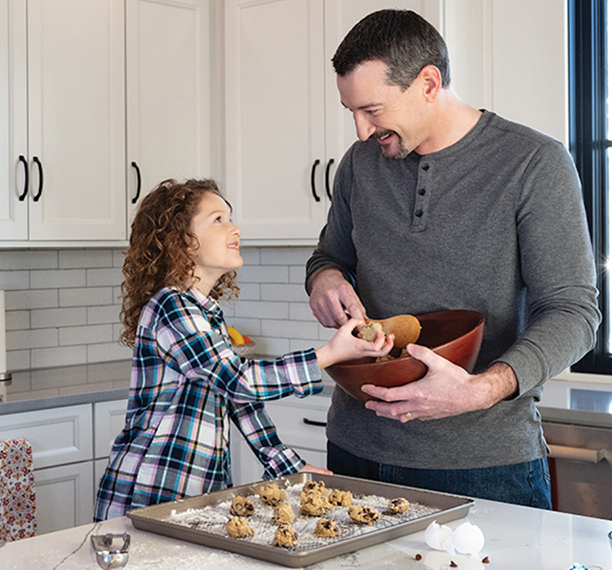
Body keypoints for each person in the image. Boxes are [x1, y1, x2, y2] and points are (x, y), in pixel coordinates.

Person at [305, 9, 601, 508]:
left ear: (428, 82)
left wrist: (482, 389)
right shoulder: (360, 166)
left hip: (484, 466)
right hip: (356, 452)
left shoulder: (534, 164)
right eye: (351, 111)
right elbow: (329, 255)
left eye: (372, 110)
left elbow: (574, 313)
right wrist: (326, 279)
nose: (360, 131)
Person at [94, 178, 393, 520]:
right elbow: (239, 381)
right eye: (218, 219)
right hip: (149, 493)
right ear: (184, 241)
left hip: (194, 495)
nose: (234, 228)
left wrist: (291, 467)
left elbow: (239, 402)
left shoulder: (206, 313)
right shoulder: (171, 307)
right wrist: (330, 354)